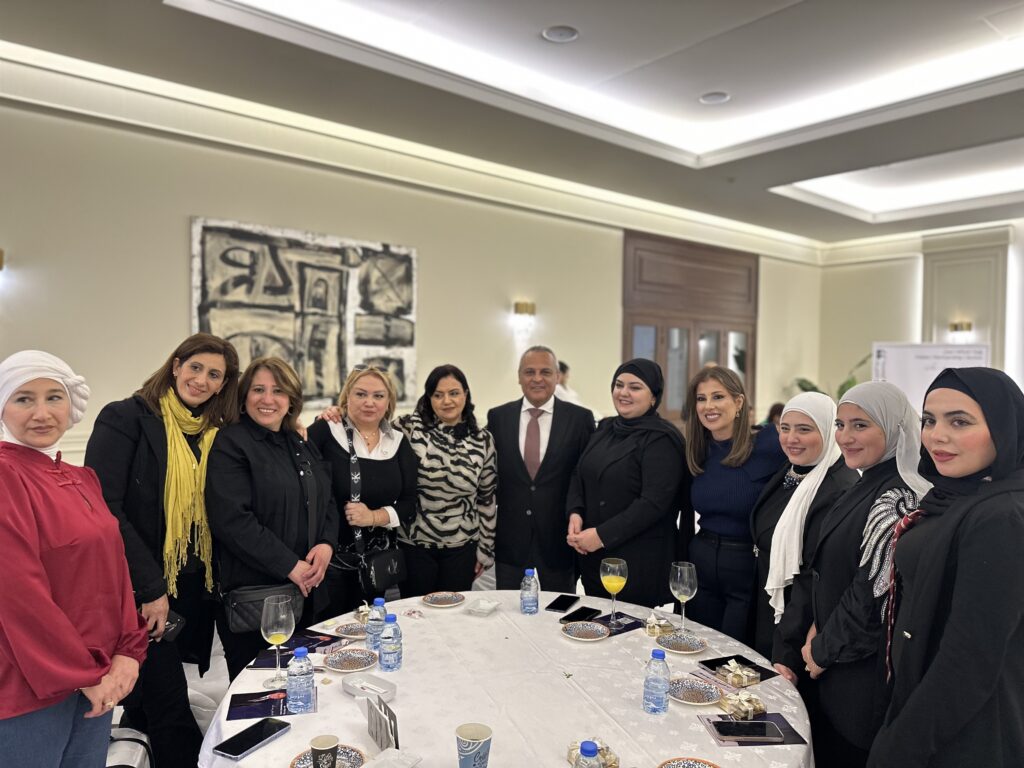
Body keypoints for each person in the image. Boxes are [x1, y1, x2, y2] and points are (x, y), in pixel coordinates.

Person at [85, 333, 239, 768]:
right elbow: (104, 507)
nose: (202, 380)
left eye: (214, 375)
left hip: (190, 585)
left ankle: (137, 754)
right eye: (195, 368)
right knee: (169, 704)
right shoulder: (126, 417)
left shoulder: (212, 431)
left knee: (148, 699)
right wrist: (150, 588)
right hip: (140, 587)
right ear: (175, 366)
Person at [867, 368, 1024, 768]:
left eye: (960, 422)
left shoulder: (1001, 516)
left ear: (1003, 428)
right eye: (929, 420)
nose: (937, 436)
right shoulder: (955, 496)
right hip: (930, 704)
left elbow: (970, 659)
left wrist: (899, 746)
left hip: (967, 729)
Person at [0, 350, 148, 767]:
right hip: (32, 687)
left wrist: (127, 651)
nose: (42, 413)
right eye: (24, 399)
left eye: (54, 397)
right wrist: (84, 675)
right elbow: (17, 594)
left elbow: (115, 572)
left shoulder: (83, 478)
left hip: (99, 676)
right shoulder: (6, 475)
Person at [774, 381, 931, 768]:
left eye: (860, 425)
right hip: (833, 659)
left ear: (894, 429)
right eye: (840, 425)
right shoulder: (867, 481)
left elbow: (873, 593)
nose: (845, 437)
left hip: (859, 672)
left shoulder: (899, 496)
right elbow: (829, 572)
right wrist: (815, 628)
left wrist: (821, 648)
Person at [206, 357, 337, 679]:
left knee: (305, 682)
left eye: (278, 390)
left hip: (309, 592)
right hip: (257, 599)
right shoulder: (230, 443)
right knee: (261, 689)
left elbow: (327, 499)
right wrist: (291, 566)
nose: (268, 399)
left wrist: (326, 544)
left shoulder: (299, 442)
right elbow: (232, 520)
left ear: (291, 398)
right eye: (258, 390)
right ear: (244, 397)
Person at [566, 359, 687, 607]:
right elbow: (579, 473)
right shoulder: (606, 428)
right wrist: (575, 512)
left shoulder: (661, 438)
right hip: (595, 556)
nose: (623, 392)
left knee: (630, 628)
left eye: (635, 387)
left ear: (653, 397)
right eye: (619, 385)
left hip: (638, 561)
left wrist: (601, 536)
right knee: (598, 621)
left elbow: (653, 504)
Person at [749, 392, 858, 659]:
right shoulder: (793, 469)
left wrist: (786, 650)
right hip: (766, 610)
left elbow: (813, 577)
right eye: (785, 428)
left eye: (804, 429)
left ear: (828, 430)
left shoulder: (836, 488)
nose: (791, 438)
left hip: (795, 627)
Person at [684, 366, 786, 643]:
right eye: (701, 399)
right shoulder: (697, 449)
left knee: (736, 654)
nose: (708, 406)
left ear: (738, 402)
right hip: (702, 561)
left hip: (746, 565)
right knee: (697, 647)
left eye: (718, 397)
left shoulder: (770, 445)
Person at [309, 365, 417, 617]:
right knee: (328, 632)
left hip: (375, 565)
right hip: (327, 562)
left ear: (388, 402)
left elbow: (410, 503)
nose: (369, 402)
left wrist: (374, 516)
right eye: (360, 394)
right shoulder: (326, 431)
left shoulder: (398, 442)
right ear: (347, 396)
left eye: (378, 396)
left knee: (368, 628)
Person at [487, 346, 595, 592]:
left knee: (559, 609)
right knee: (508, 609)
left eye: (545, 372)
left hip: (559, 541)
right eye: (529, 372)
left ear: (557, 376)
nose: (537, 378)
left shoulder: (580, 419)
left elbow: (584, 477)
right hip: (510, 542)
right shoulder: (498, 417)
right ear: (519, 377)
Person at [395, 364, 497, 596]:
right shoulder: (407, 428)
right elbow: (368, 428)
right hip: (413, 546)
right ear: (429, 398)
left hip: (462, 548)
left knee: (455, 612)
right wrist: (336, 414)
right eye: (438, 395)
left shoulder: (483, 440)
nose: (447, 401)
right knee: (414, 611)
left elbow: (487, 498)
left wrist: (486, 549)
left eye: (454, 393)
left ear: (465, 394)